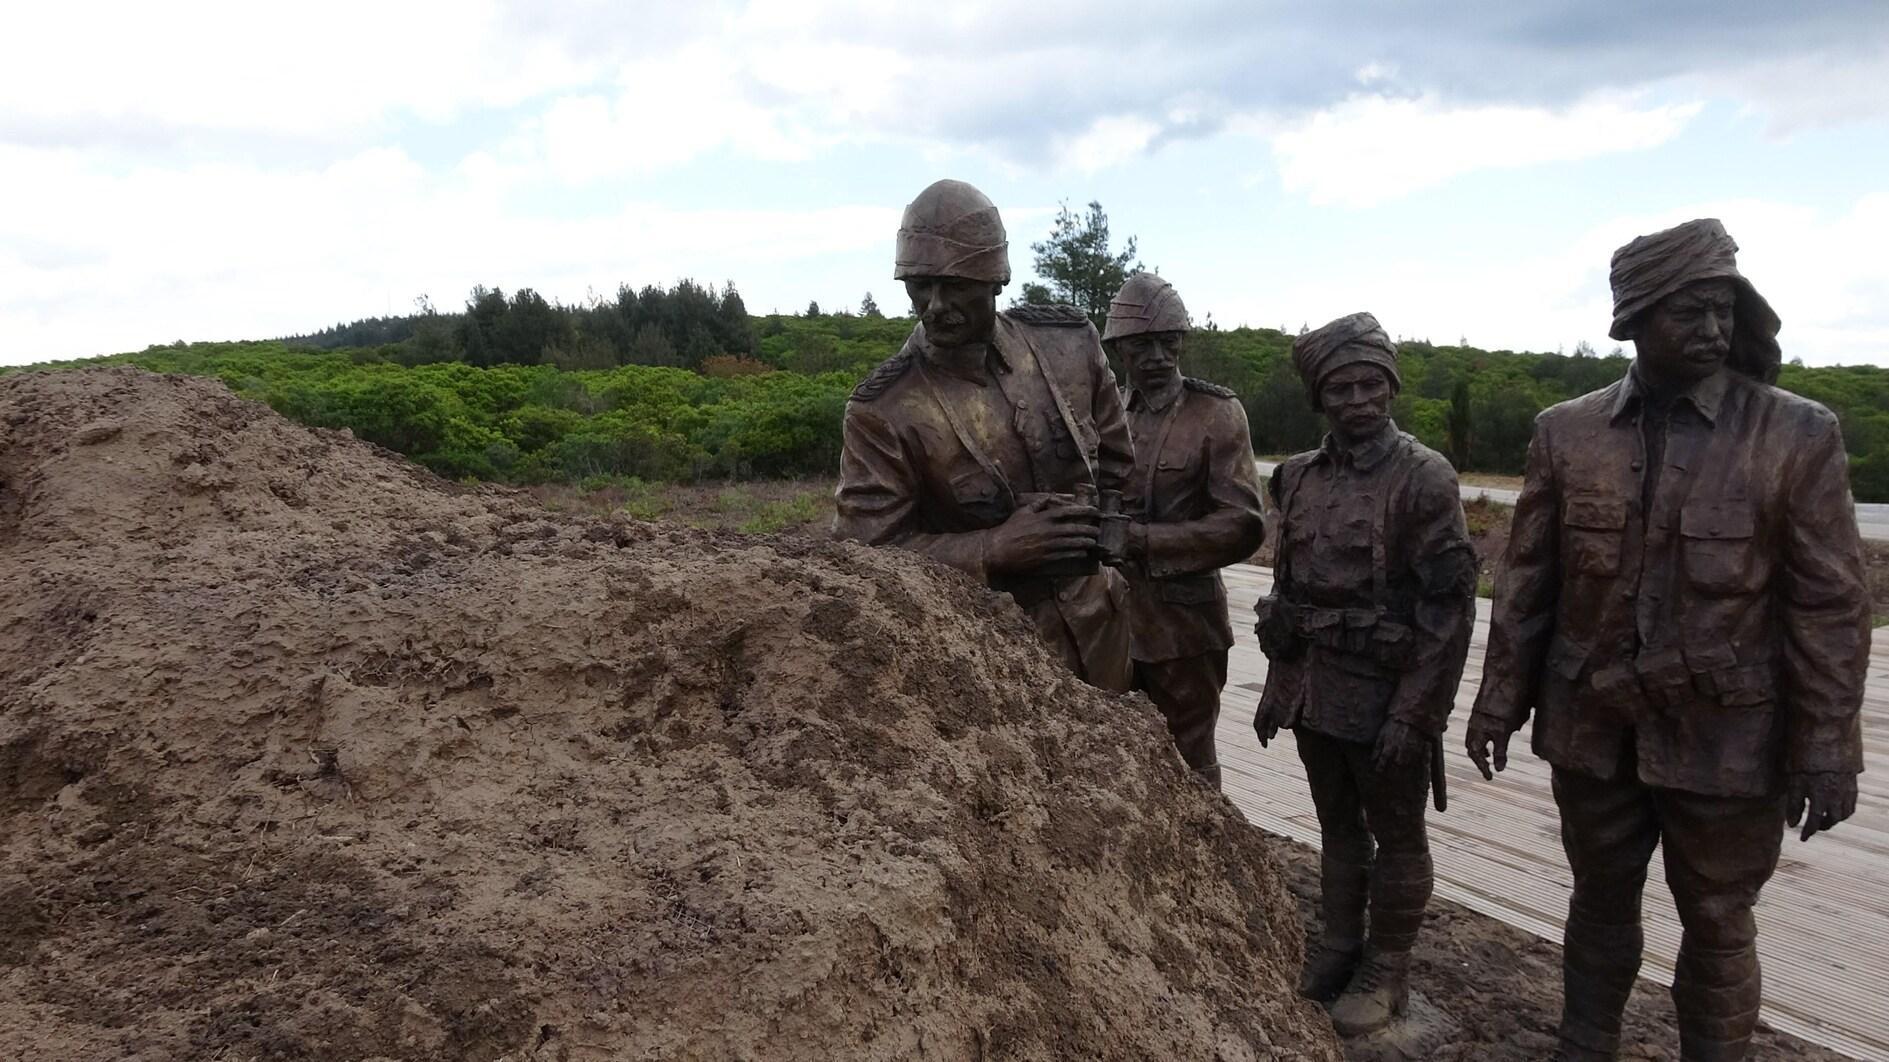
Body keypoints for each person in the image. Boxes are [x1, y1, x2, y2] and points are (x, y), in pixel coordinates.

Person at [1465, 218, 1869, 1062]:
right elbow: (1528, 584)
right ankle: (1584, 1048)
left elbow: (1828, 607)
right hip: (1593, 727)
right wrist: (1497, 699)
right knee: (1597, 902)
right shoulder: (1564, 433)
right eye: (1689, 311)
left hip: (1728, 737)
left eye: (1723, 309)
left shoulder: (1795, 434)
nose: (1714, 329)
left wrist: (1827, 743)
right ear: (1634, 319)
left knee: (1719, 923)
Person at [1253, 312, 1476, 1036]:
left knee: (1398, 835)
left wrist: (1416, 712)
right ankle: (1340, 946)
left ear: (1389, 388)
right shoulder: (1296, 477)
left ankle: (1388, 968)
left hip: (1385, 692)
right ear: (1320, 398)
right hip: (1316, 689)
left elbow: (1449, 610)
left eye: (1369, 385)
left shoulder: (1424, 478)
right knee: (1336, 830)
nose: (1356, 400)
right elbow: (1287, 592)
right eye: (1340, 388)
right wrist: (1275, 681)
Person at [833, 179, 1135, 691]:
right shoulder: (882, 409)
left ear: (995, 279)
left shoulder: (1069, 346)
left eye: (953, 286)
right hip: (987, 654)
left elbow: (1119, 468)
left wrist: (1099, 530)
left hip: (1102, 630)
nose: (932, 305)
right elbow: (864, 552)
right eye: (918, 285)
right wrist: (992, 547)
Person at [1106, 273, 1264, 788]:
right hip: (1108, 624)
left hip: (1185, 629)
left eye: (1166, 341)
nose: (1155, 355)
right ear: (1119, 349)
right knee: (1114, 761)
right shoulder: (1102, 415)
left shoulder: (1215, 414)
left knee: (1190, 767)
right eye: (1140, 344)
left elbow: (1243, 525)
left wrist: (1145, 542)